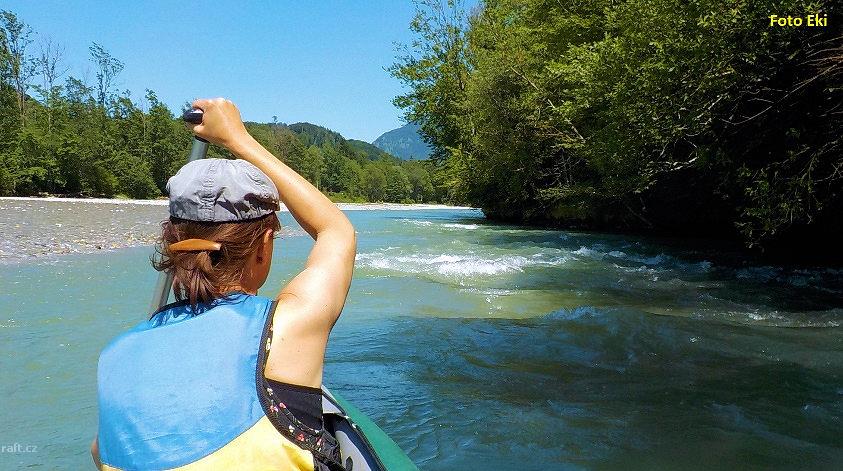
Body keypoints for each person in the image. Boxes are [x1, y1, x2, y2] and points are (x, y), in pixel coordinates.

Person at [92, 98, 356, 470]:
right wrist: (238, 139)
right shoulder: (287, 328)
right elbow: (336, 231)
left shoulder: (114, 356)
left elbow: (99, 452)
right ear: (264, 245)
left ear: (172, 241)